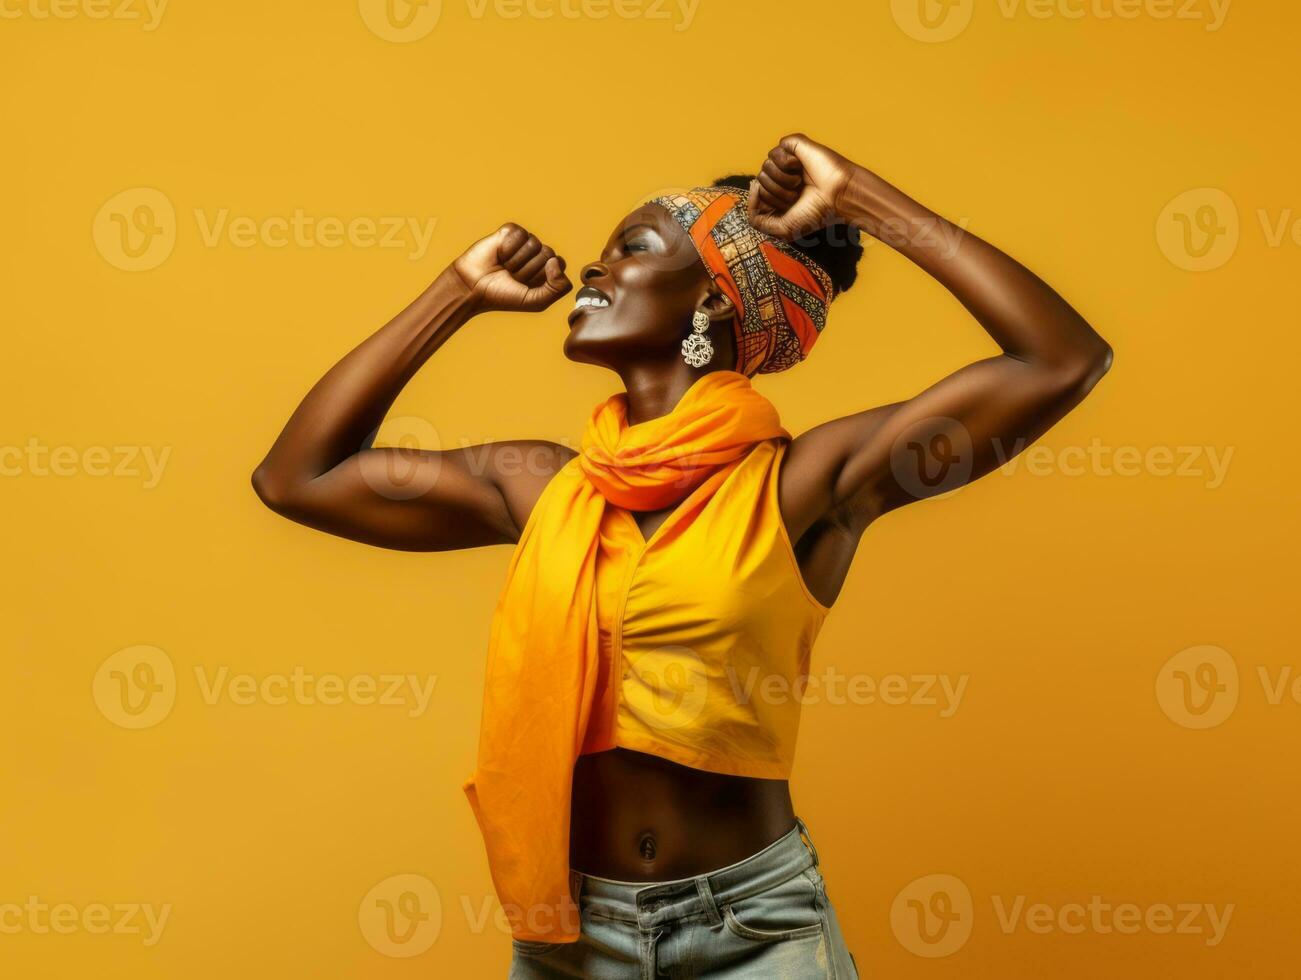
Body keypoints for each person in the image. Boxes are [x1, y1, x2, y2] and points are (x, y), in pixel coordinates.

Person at [251, 133, 1112, 978]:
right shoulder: (539, 484)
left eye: (629, 249)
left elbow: (1060, 360)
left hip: (758, 932)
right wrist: (455, 293)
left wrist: (860, 198)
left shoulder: (808, 483)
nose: (592, 271)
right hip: (570, 940)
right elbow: (299, 477)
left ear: (712, 298)